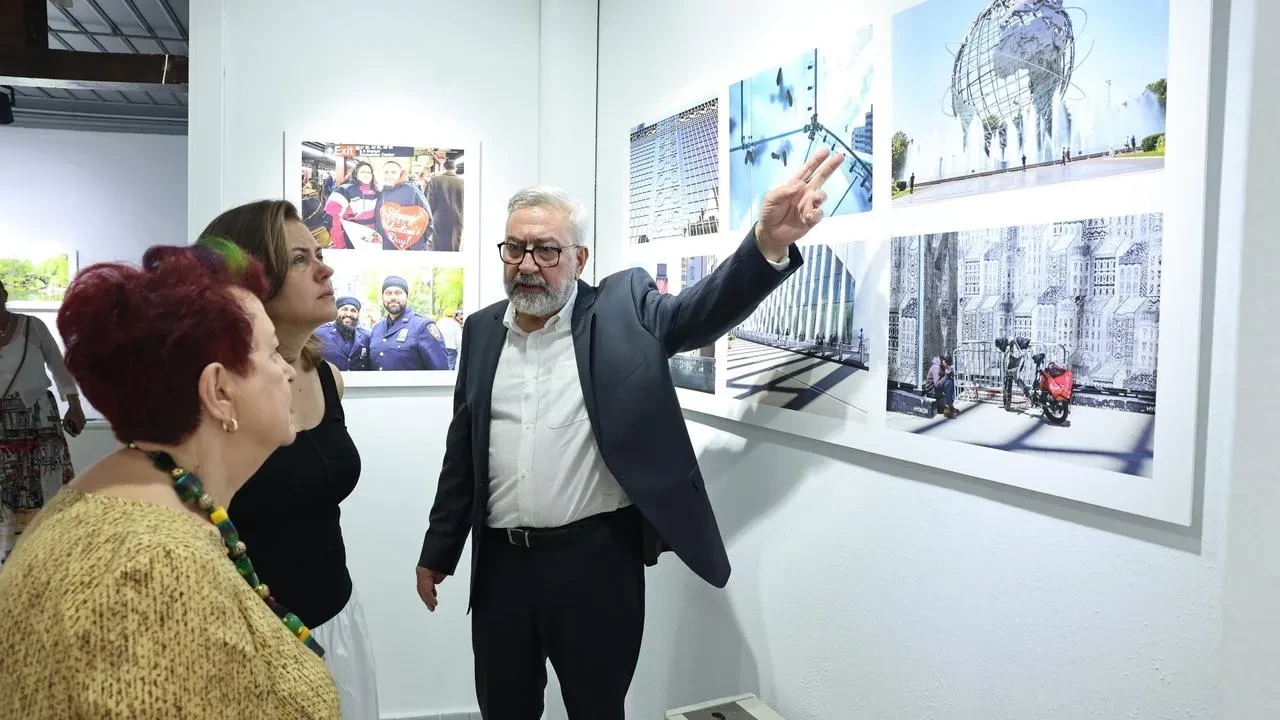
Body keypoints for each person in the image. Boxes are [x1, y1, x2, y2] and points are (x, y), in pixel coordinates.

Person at [415, 147, 846, 718]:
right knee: (504, 708)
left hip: (594, 566)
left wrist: (767, 244)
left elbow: (696, 313)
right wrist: (438, 549)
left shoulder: (623, 307)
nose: (526, 263)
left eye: (547, 250)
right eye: (515, 247)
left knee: (598, 708)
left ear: (579, 257)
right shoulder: (481, 331)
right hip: (501, 569)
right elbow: (463, 453)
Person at [0, 240, 340, 718]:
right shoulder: (155, 571)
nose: (288, 371)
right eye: (270, 353)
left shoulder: (143, 503)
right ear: (219, 391)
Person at [198, 200, 380, 719]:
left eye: (320, 254)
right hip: (251, 636)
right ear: (248, 282)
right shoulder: (216, 395)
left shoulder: (327, 378)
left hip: (336, 617)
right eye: (300, 259)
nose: (326, 269)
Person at [0, 279, 85, 564]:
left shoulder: (32, 326)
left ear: (4, 295)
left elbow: (59, 368)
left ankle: (51, 551)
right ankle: (8, 557)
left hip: (39, 420)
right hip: (3, 426)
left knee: (46, 483)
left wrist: (74, 406)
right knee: (6, 488)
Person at [369, 275, 450, 371]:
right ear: (382, 297)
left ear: (407, 296)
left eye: (398, 293)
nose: (393, 297)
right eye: (388, 293)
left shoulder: (423, 326)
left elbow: (440, 370)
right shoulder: (377, 328)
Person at [316, 295, 371, 371]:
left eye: (353, 311)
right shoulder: (320, 334)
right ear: (336, 312)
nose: (349, 314)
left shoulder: (366, 337)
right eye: (344, 309)